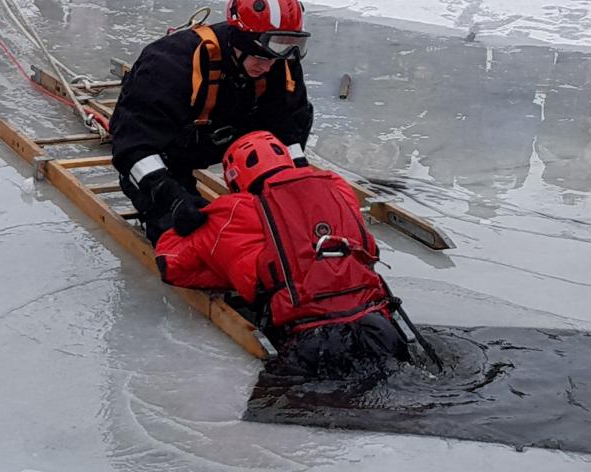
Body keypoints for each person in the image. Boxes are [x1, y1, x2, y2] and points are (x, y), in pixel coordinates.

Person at [154, 131, 415, 378]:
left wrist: (232, 274)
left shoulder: (232, 211)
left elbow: (172, 264)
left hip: (310, 343)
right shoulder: (335, 186)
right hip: (380, 327)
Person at [110, 0, 314, 245]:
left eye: (277, 58)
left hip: (228, 141)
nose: (269, 66)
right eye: (262, 58)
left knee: (287, 220)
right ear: (242, 41)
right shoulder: (170, 63)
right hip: (171, 152)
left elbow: (288, 130)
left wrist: (298, 185)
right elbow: (132, 147)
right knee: (190, 232)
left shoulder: (277, 62)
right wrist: (170, 196)